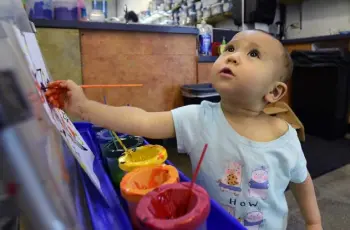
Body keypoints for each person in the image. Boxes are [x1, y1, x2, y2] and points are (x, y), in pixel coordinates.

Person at [56, 30, 322, 229]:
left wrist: (313, 223)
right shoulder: (198, 118)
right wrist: (84, 108)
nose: (234, 56)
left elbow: (301, 180)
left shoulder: (285, 135)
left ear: (274, 92)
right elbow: (141, 120)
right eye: (230, 48)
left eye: (253, 54)